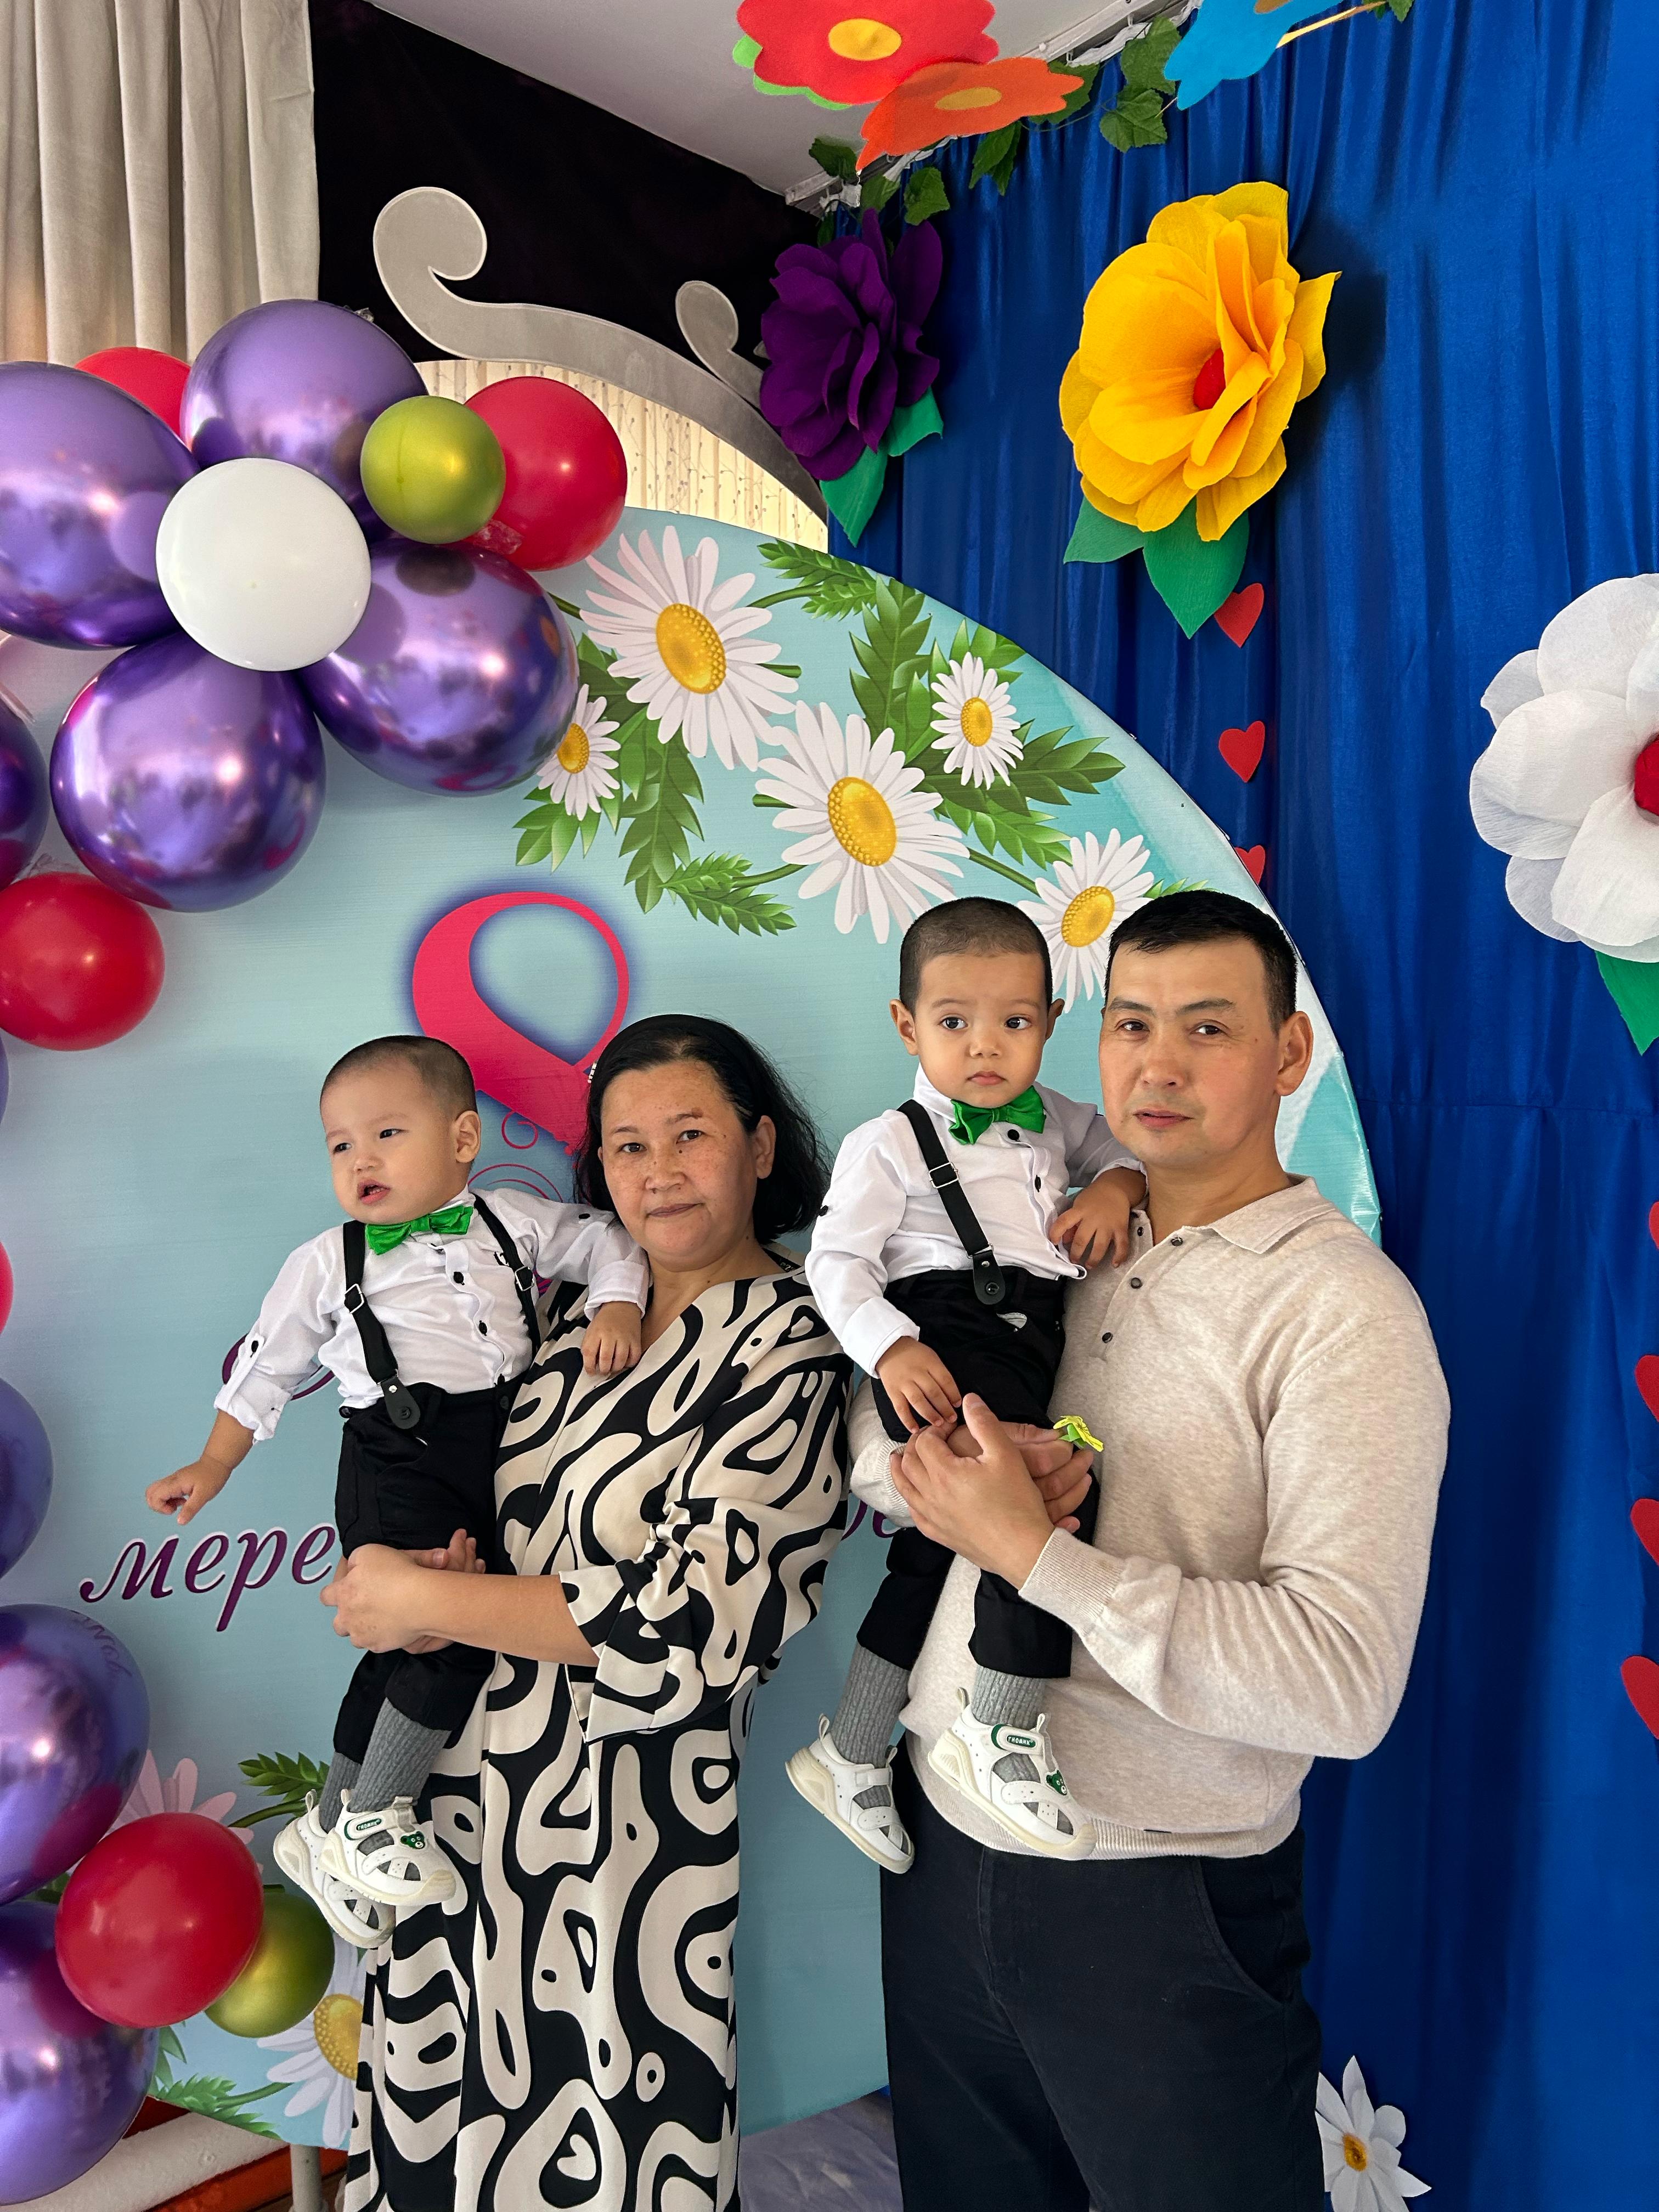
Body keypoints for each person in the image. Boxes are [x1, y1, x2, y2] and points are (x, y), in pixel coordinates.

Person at [850, 889, 1450, 2212]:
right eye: (1131, 1025)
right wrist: (936, 1476)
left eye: (1208, 1028)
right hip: (941, 1843)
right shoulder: (1053, 1237)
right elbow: (880, 1444)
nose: (1159, 1065)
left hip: (1161, 1898)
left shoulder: (1343, 1312)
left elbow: (1343, 1683)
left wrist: (1039, 1555)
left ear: (1289, 1055)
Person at [320, 1015, 850, 2212]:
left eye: (691, 1135)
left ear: (762, 1146)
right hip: (448, 1821)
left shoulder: (800, 1340)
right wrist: (413, 1585)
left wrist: (433, 1597)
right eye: (626, 1146)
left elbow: (693, 1622)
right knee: (428, 2145)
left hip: (620, 1852)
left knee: (605, 2152)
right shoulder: (563, 1323)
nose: (658, 1172)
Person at [144, 1035, 648, 1946]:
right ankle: (378, 1813)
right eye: (340, 1145)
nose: (360, 1159)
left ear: (462, 1139)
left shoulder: (510, 1221)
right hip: (396, 1457)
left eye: (386, 1133)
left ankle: (330, 1821)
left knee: (427, 1639)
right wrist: (214, 1464)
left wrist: (617, 1302)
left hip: (495, 1455)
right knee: (441, 1632)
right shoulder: (326, 1260)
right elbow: (264, 1367)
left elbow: (607, 1239)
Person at [788, 898, 1144, 1868]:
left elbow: (1122, 1152)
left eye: (1014, 1021)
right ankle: (1003, 1728)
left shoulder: (1060, 1120)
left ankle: (851, 1748)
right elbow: (835, 1264)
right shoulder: (888, 1142)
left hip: (1030, 1339)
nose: (985, 1046)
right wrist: (890, 1349)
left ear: (1052, 1022)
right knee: (1046, 1506)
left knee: (934, 1557)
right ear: (907, 1026)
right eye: (954, 1021)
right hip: (943, 1336)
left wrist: (1116, 1188)